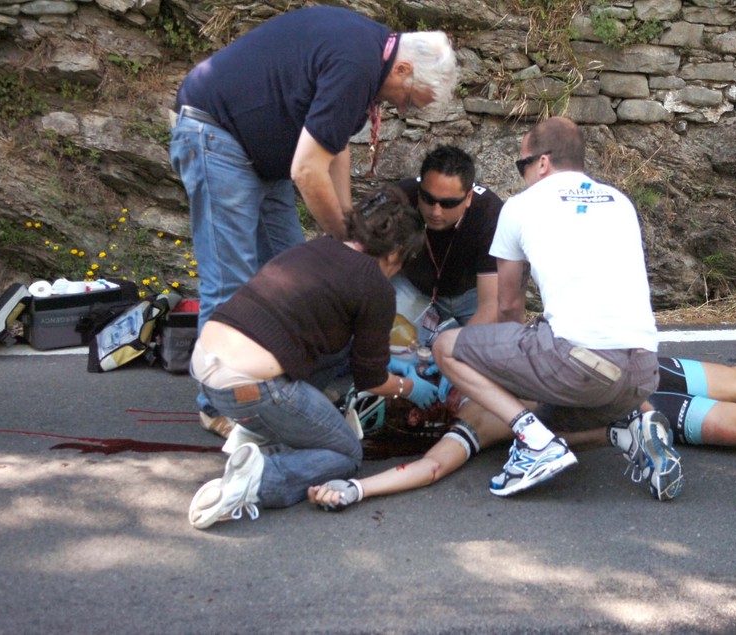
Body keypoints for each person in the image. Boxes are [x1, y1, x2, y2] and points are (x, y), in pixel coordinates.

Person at [168, 6, 458, 435]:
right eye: (411, 98)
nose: (404, 108)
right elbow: (307, 170)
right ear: (403, 68)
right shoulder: (357, 64)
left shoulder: (369, 53)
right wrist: (345, 237)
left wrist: (346, 221)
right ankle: (220, 406)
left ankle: (283, 391)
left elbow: (334, 146)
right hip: (217, 136)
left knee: (297, 274)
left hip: (260, 154)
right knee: (232, 278)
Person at [429, 116, 680, 500]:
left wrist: (491, 373)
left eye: (522, 165)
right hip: (643, 376)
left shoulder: (519, 206)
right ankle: (633, 430)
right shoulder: (620, 202)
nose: (523, 175)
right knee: (544, 409)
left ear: (542, 162)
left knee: (446, 347)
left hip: (579, 366)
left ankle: (535, 445)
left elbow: (509, 307)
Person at [307, 360, 736, 510]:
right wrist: (358, 490)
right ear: (424, 420)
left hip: (631, 369)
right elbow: (429, 469)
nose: (440, 380)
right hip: (638, 413)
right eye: (424, 395)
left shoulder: (470, 351)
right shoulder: (476, 424)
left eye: (427, 375)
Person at [186, 187, 438, 530]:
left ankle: (258, 439)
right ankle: (256, 479)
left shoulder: (320, 245)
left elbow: (353, 353)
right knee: (346, 455)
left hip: (207, 366)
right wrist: (408, 387)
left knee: (340, 358)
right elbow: (371, 380)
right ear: (396, 253)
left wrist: (385, 363)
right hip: (253, 386)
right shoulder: (375, 284)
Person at [392, 145, 504, 346]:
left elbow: (490, 304)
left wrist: (453, 352)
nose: (436, 212)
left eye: (448, 203)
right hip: (415, 288)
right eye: (428, 199)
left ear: (468, 197)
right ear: (419, 191)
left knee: (488, 348)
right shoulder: (400, 197)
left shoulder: (490, 215)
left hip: (470, 294)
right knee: (392, 340)